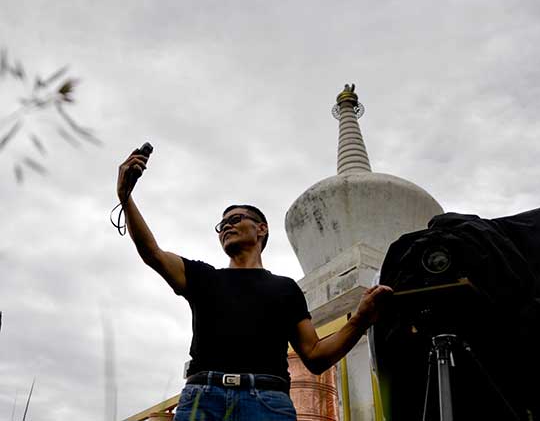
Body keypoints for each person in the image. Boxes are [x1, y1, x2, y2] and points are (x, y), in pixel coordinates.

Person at [117, 148, 393, 421]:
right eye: (222, 225)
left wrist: (360, 319)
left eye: (235, 219)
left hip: (267, 402)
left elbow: (315, 355)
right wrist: (126, 199)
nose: (226, 226)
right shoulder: (203, 277)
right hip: (203, 399)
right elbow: (152, 253)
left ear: (262, 228)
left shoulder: (285, 289)